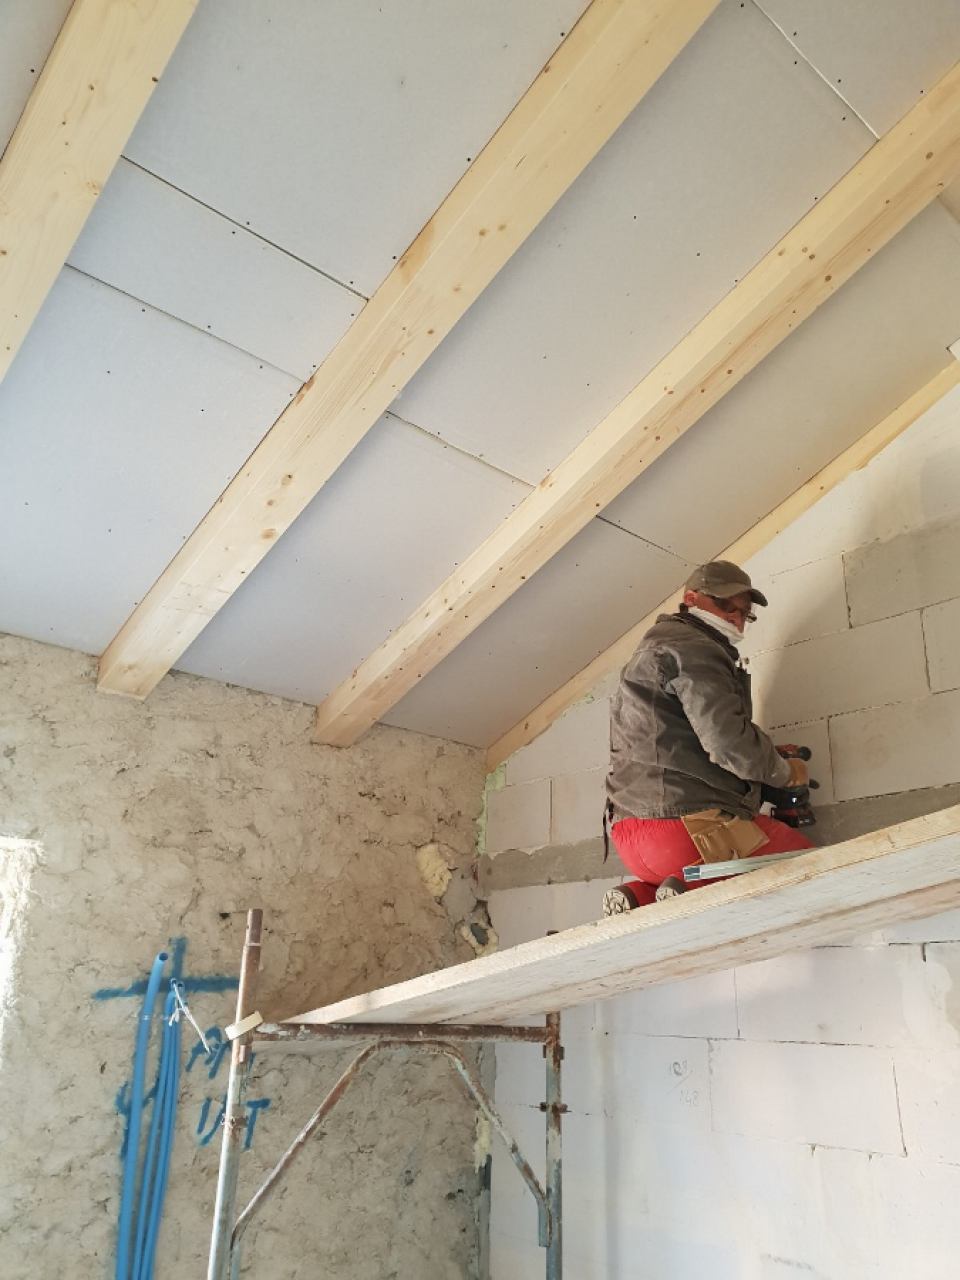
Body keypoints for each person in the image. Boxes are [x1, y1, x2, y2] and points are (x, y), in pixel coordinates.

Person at [602, 560, 813, 916]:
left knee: (680, 875)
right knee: (804, 864)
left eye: (745, 613)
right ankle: (694, 888)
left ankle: (640, 895)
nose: (736, 618)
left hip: (630, 836)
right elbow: (728, 743)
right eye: (726, 605)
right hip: (687, 829)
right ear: (692, 599)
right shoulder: (695, 648)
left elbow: (682, 743)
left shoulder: (650, 652)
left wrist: (766, 755)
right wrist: (783, 771)